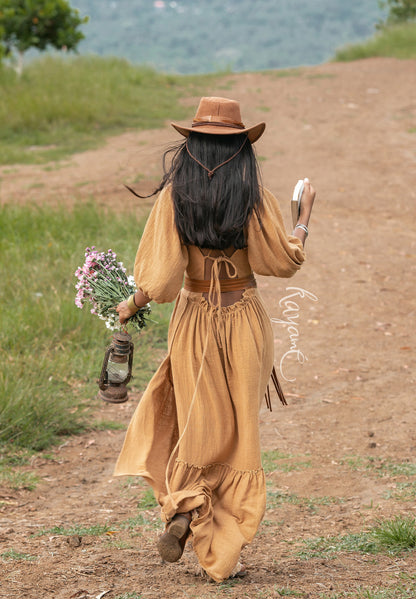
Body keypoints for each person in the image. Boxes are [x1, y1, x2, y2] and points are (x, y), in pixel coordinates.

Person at [114, 96, 315, 582]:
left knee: (196, 419)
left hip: (194, 320)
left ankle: (185, 506)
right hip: (244, 319)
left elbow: (160, 283)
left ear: (192, 145)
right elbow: (282, 264)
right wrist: (303, 219)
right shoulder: (254, 197)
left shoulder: (174, 197)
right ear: (242, 149)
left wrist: (129, 304)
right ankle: (223, 551)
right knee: (238, 431)